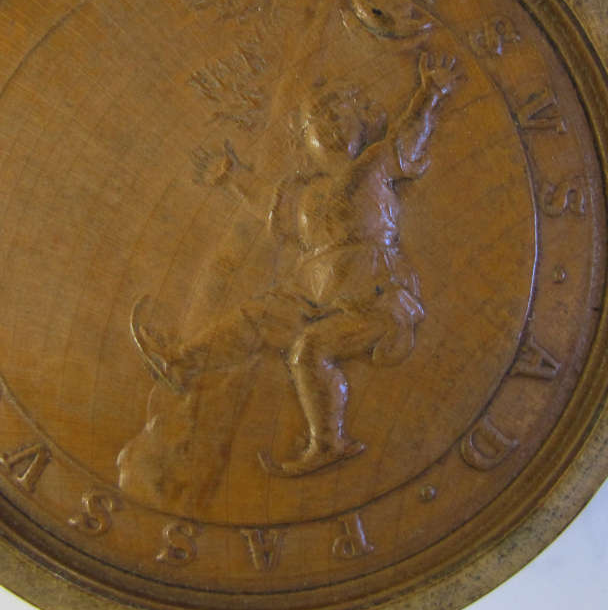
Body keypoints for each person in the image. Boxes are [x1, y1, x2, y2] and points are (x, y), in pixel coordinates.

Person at [130, 50, 460, 476]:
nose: (331, 126)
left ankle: (328, 442)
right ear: (306, 140)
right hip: (312, 294)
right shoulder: (306, 194)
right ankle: (181, 363)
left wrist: (430, 94)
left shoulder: (374, 163)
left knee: (310, 351)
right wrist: (232, 176)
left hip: (371, 296)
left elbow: (408, 137)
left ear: (361, 119)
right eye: (318, 122)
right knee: (255, 316)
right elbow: (269, 205)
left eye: (338, 114)